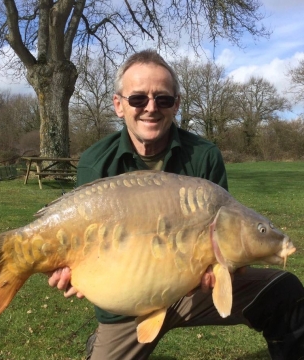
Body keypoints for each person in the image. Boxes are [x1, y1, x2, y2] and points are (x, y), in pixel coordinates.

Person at [48, 49, 304, 360]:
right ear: (119, 105)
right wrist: (71, 271)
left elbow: (224, 249)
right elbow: (82, 244)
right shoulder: (95, 161)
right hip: (130, 300)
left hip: (191, 293)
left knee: (285, 292)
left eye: (163, 99)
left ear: (176, 104)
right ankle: (105, 341)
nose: (151, 108)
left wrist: (223, 267)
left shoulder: (204, 155)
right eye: (138, 99)